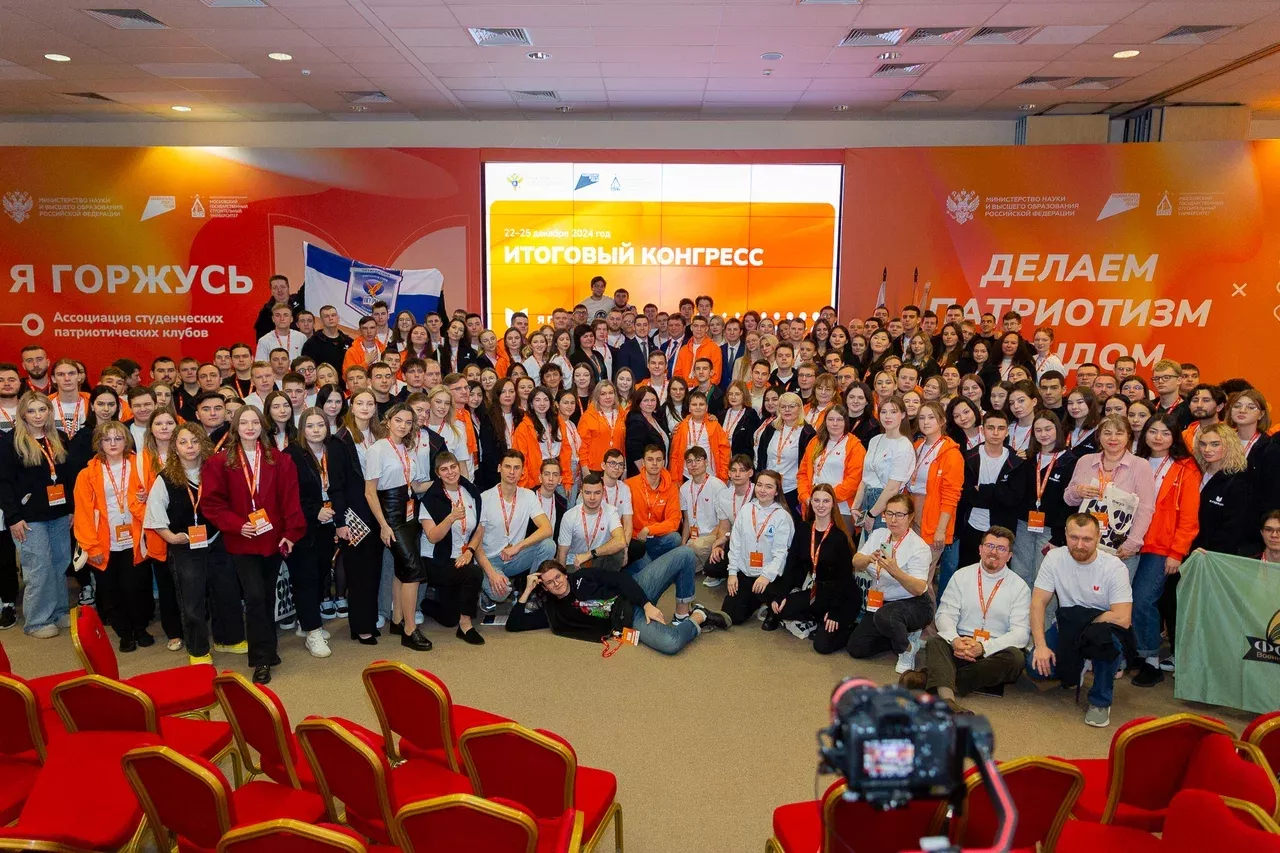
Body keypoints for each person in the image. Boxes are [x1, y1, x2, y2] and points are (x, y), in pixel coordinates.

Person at [201, 405, 306, 684]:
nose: (250, 427)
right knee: (256, 597)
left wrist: (291, 533)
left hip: (273, 539)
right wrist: (237, 524)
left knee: (267, 597)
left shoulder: (280, 460)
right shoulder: (219, 462)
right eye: (244, 422)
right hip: (242, 540)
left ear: (262, 426)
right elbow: (212, 504)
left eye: (255, 422)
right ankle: (261, 659)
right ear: (235, 427)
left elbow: (291, 499)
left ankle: (268, 651)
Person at [144, 421, 246, 663]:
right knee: (192, 601)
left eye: (194, 441)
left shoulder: (216, 472)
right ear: (175, 447)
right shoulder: (165, 478)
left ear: (203, 444)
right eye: (183, 442)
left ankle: (228, 640)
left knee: (226, 592)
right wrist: (171, 538)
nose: (189, 446)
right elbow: (154, 514)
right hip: (185, 547)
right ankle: (198, 650)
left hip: (217, 541)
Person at [901, 526, 1030, 712]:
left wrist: (984, 647)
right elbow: (944, 614)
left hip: (994, 650)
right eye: (989, 546)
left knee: (1016, 658)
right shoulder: (961, 576)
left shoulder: (1020, 587)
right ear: (980, 549)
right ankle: (949, 701)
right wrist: (955, 640)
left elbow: (1021, 634)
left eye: (1001, 548)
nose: (994, 552)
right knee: (936, 642)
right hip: (959, 644)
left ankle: (928, 678)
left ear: (1009, 556)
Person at [1030, 514, 1135, 728]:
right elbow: (1038, 602)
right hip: (1067, 627)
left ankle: (1100, 701)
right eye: (1074, 537)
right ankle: (1077, 665)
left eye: (1087, 539)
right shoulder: (1054, 558)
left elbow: (1123, 618)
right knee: (1036, 667)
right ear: (1065, 535)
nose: (1079, 545)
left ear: (1098, 537)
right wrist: (1040, 646)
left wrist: (1080, 618)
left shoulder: (1114, 567)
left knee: (1106, 643)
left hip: (1102, 630)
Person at [506, 554, 729, 654]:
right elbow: (514, 624)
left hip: (634, 590)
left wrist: (646, 603)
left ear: (565, 574)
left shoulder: (582, 576)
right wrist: (527, 590)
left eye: (558, 577)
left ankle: (682, 614)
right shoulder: (553, 611)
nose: (556, 583)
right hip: (629, 619)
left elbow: (620, 579)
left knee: (685, 554)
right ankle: (699, 615)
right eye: (549, 582)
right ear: (544, 587)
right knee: (671, 643)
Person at [1129, 412, 1200, 687]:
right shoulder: (1135, 461)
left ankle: (1151, 660)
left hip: (1161, 546)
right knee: (1124, 598)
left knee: (1143, 599)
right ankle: (1134, 651)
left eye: (1165, 433)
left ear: (1174, 437)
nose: (1158, 437)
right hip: (1129, 541)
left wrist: (1177, 552)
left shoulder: (1186, 468)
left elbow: (1189, 518)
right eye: (1153, 431)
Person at [0, 392, 75, 637]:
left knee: (60, 563)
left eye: (42, 409)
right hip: (28, 517)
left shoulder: (59, 437)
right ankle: (37, 621)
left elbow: (67, 477)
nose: (37, 415)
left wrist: (71, 509)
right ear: (23, 414)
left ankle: (59, 611)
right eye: (31, 411)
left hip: (59, 512)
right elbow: (4, 482)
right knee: (38, 567)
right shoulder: (11, 442)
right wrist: (13, 517)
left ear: (49, 412)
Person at [72, 420, 150, 652]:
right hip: (104, 542)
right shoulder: (87, 474)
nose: (113, 443)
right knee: (110, 591)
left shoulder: (139, 466)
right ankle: (124, 633)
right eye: (107, 439)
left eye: (118, 438)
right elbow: (83, 514)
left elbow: (156, 496)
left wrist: (147, 496)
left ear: (127, 441)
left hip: (135, 539)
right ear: (99, 443)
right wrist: (91, 547)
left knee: (136, 588)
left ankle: (140, 628)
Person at [364, 404, 432, 651]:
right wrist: (383, 525)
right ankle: (409, 630)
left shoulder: (408, 448)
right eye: (398, 420)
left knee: (401, 570)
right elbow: (370, 492)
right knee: (413, 571)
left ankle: (397, 620)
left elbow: (415, 485)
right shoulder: (377, 449)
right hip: (390, 513)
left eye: (408, 422)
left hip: (409, 511)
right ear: (388, 421)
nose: (403, 426)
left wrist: (447, 481)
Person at [766, 485, 858, 650]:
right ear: (811, 503)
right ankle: (819, 618)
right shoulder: (803, 529)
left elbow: (845, 579)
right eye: (816, 500)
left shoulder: (839, 536)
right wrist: (782, 594)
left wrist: (835, 611)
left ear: (833, 504)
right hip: (817, 591)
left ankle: (850, 628)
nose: (820, 505)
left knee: (822, 646)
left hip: (841, 595)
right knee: (780, 608)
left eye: (826, 501)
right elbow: (792, 564)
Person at [850, 492, 934, 671]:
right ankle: (900, 635)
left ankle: (907, 650)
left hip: (913, 603)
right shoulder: (879, 534)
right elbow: (856, 561)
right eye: (889, 513)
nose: (893, 520)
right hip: (881, 602)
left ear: (910, 517)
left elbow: (919, 588)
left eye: (899, 515)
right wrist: (868, 559)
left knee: (886, 616)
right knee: (857, 648)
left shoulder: (919, 547)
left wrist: (896, 571)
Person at [1063, 414, 1155, 576]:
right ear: (1099, 436)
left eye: (1119, 433)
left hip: (1120, 548)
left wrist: (1132, 543)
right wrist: (1078, 491)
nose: (1113, 438)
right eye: (1107, 433)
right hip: (1085, 545)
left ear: (1128, 436)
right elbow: (1068, 500)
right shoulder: (1085, 461)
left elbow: (1145, 509)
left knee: (1115, 592)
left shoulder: (1141, 466)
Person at [284, 409, 338, 659]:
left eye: (320, 425)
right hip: (302, 526)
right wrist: (314, 510)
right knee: (305, 578)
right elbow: (289, 494)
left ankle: (306, 621)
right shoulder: (292, 455)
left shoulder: (333, 451)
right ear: (301, 429)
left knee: (321, 575)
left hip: (327, 525)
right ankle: (313, 631)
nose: (316, 430)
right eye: (310, 426)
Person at [417, 451, 487, 645]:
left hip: (461, 557)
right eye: (444, 469)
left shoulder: (471, 492)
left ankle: (438, 609)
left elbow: (480, 528)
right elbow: (432, 537)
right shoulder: (430, 499)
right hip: (436, 560)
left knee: (449, 618)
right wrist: (450, 518)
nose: (450, 472)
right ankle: (464, 626)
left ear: (459, 467)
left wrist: (470, 551)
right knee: (473, 573)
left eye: (453, 467)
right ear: (437, 474)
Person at [474, 449, 555, 609]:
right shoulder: (484, 498)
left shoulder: (528, 496)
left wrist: (518, 546)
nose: (512, 472)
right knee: (501, 593)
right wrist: (492, 574)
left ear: (523, 471)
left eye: (516, 467)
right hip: (490, 560)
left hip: (515, 556)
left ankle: (532, 591)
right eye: (507, 466)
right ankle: (487, 588)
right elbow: (476, 543)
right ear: (499, 468)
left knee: (548, 545)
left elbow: (547, 528)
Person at [1010, 411, 1077, 588]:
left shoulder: (1070, 461)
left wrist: (1059, 536)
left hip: (1051, 529)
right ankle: (1021, 607)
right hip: (1024, 525)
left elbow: (1070, 503)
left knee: (1044, 577)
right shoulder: (1028, 458)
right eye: (1038, 430)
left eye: (1048, 429)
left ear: (1058, 429)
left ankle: (1042, 609)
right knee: (1019, 573)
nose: (1043, 434)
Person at [956, 411, 1027, 570]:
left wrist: (982, 489)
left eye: (1001, 428)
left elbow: (1013, 499)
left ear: (1007, 432)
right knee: (968, 573)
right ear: (982, 430)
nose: (995, 433)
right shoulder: (969, 458)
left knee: (998, 575)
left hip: (1003, 530)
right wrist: (998, 493)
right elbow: (966, 494)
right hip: (972, 527)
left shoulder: (1016, 462)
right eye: (990, 428)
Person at [723, 470, 795, 626]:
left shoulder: (782, 516)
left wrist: (766, 576)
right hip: (746, 572)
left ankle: (770, 606)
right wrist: (732, 573)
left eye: (769, 487)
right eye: (760, 485)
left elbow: (781, 553)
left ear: (777, 491)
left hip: (770, 576)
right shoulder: (746, 509)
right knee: (731, 615)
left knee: (770, 593)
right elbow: (735, 544)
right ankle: (757, 601)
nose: (762, 490)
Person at [907, 402, 964, 588]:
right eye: (922, 418)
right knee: (910, 571)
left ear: (942, 421)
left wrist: (941, 529)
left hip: (933, 516)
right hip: (911, 512)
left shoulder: (951, 453)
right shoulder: (917, 446)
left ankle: (927, 608)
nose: (926, 422)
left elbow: (951, 495)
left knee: (922, 574)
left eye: (931, 417)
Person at [851, 396, 913, 535]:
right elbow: (865, 478)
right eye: (883, 412)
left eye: (893, 412)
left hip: (888, 505)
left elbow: (892, 488)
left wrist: (872, 515)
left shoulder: (904, 445)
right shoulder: (875, 440)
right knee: (868, 546)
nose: (887, 416)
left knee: (883, 545)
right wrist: (855, 506)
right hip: (868, 500)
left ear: (903, 415)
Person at [797, 404, 865, 526]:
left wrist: (827, 500)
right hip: (813, 507)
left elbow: (854, 481)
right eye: (831, 419)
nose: (835, 424)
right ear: (825, 421)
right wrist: (806, 497)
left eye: (839, 420)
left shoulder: (855, 446)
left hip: (841, 509)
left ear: (845, 422)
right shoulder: (815, 442)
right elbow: (802, 474)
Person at [756, 392, 816, 518]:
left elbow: (809, 465)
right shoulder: (771, 428)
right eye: (783, 407)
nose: (787, 410)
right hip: (769, 488)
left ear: (800, 408)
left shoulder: (807, 433)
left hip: (792, 489)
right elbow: (761, 456)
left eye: (792, 406)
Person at [624, 444, 683, 571]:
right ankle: (654, 566)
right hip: (636, 539)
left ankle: (650, 565)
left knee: (675, 538)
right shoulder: (629, 485)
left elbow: (674, 521)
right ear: (643, 462)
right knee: (647, 568)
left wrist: (649, 529)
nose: (655, 463)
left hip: (657, 537)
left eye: (658, 460)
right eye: (650, 459)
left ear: (664, 462)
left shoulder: (671, 487)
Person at [556, 472, 627, 571]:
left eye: (597, 493)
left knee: (618, 552)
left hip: (597, 558)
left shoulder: (611, 511)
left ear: (603, 492)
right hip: (575, 563)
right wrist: (563, 576)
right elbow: (562, 553)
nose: (592, 498)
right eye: (588, 493)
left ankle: (608, 580)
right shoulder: (570, 516)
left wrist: (589, 555)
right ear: (581, 493)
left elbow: (621, 541)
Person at [677, 446, 726, 569]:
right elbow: (686, 520)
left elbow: (723, 522)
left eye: (698, 460)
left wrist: (708, 539)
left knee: (698, 546)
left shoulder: (718, 486)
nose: (693, 465)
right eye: (689, 461)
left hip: (714, 535)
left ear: (706, 462)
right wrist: (683, 544)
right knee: (681, 561)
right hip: (694, 538)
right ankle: (706, 567)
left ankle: (716, 569)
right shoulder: (684, 488)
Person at [668, 390, 730, 481]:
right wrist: (675, 479)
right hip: (687, 474)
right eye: (694, 404)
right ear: (689, 408)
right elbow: (674, 455)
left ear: (706, 407)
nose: (698, 407)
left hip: (710, 474)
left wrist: (723, 475)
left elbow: (724, 451)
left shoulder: (715, 425)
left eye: (701, 404)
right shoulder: (681, 427)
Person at [578, 380, 626, 475]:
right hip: (594, 469)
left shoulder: (621, 414)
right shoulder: (587, 417)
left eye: (610, 393)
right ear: (597, 397)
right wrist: (585, 469)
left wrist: (624, 467)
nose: (608, 397)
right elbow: (582, 446)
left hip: (616, 468)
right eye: (603, 394)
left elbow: (623, 443)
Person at [721, 381, 762, 459]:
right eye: (730, 394)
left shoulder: (751, 415)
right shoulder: (722, 414)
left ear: (744, 395)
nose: (733, 397)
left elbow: (751, 442)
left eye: (737, 394)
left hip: (741, 460)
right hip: (722, 458)